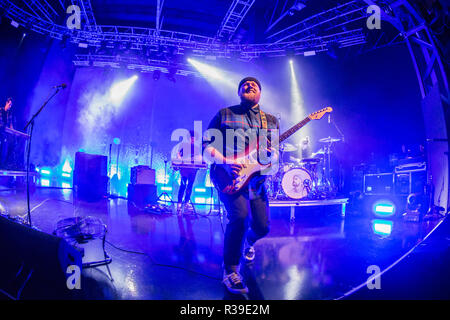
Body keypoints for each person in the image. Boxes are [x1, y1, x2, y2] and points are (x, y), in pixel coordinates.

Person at [203, 77, 279, 294]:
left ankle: (248, 242)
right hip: (229, 176)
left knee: (263, 227)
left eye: (255, 84)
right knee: (240, 217)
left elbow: (272, 155)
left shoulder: (270, 121)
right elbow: (206, 146)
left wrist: (268, 158)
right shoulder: (225, 113)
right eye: (245, 84)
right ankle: (230, 271)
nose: (250, 85)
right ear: (239, 92)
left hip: (255, 180)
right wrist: (226, 163)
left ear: (260, 93)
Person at [175, 130, 200, 213]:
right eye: (191, 138)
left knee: (190, 186)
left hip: (193, 170)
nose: (193, 140)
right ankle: (179, 203)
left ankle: (186, 203)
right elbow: (179, 155)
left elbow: (199, 158)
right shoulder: (184, 146)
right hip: (184, 170)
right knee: (183, 186)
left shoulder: (196, 148)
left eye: (194, 139)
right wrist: (180, 158)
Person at [0, 97, 14, 169]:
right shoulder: (1, 110)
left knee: (9, 144)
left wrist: (13, 131)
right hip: (1, 131)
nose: (10, 106)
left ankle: (3, 164)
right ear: (6, 103)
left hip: (4, 133)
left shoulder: (9, 113)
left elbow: (11, 124)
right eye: (9, 104)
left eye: (11, 105)